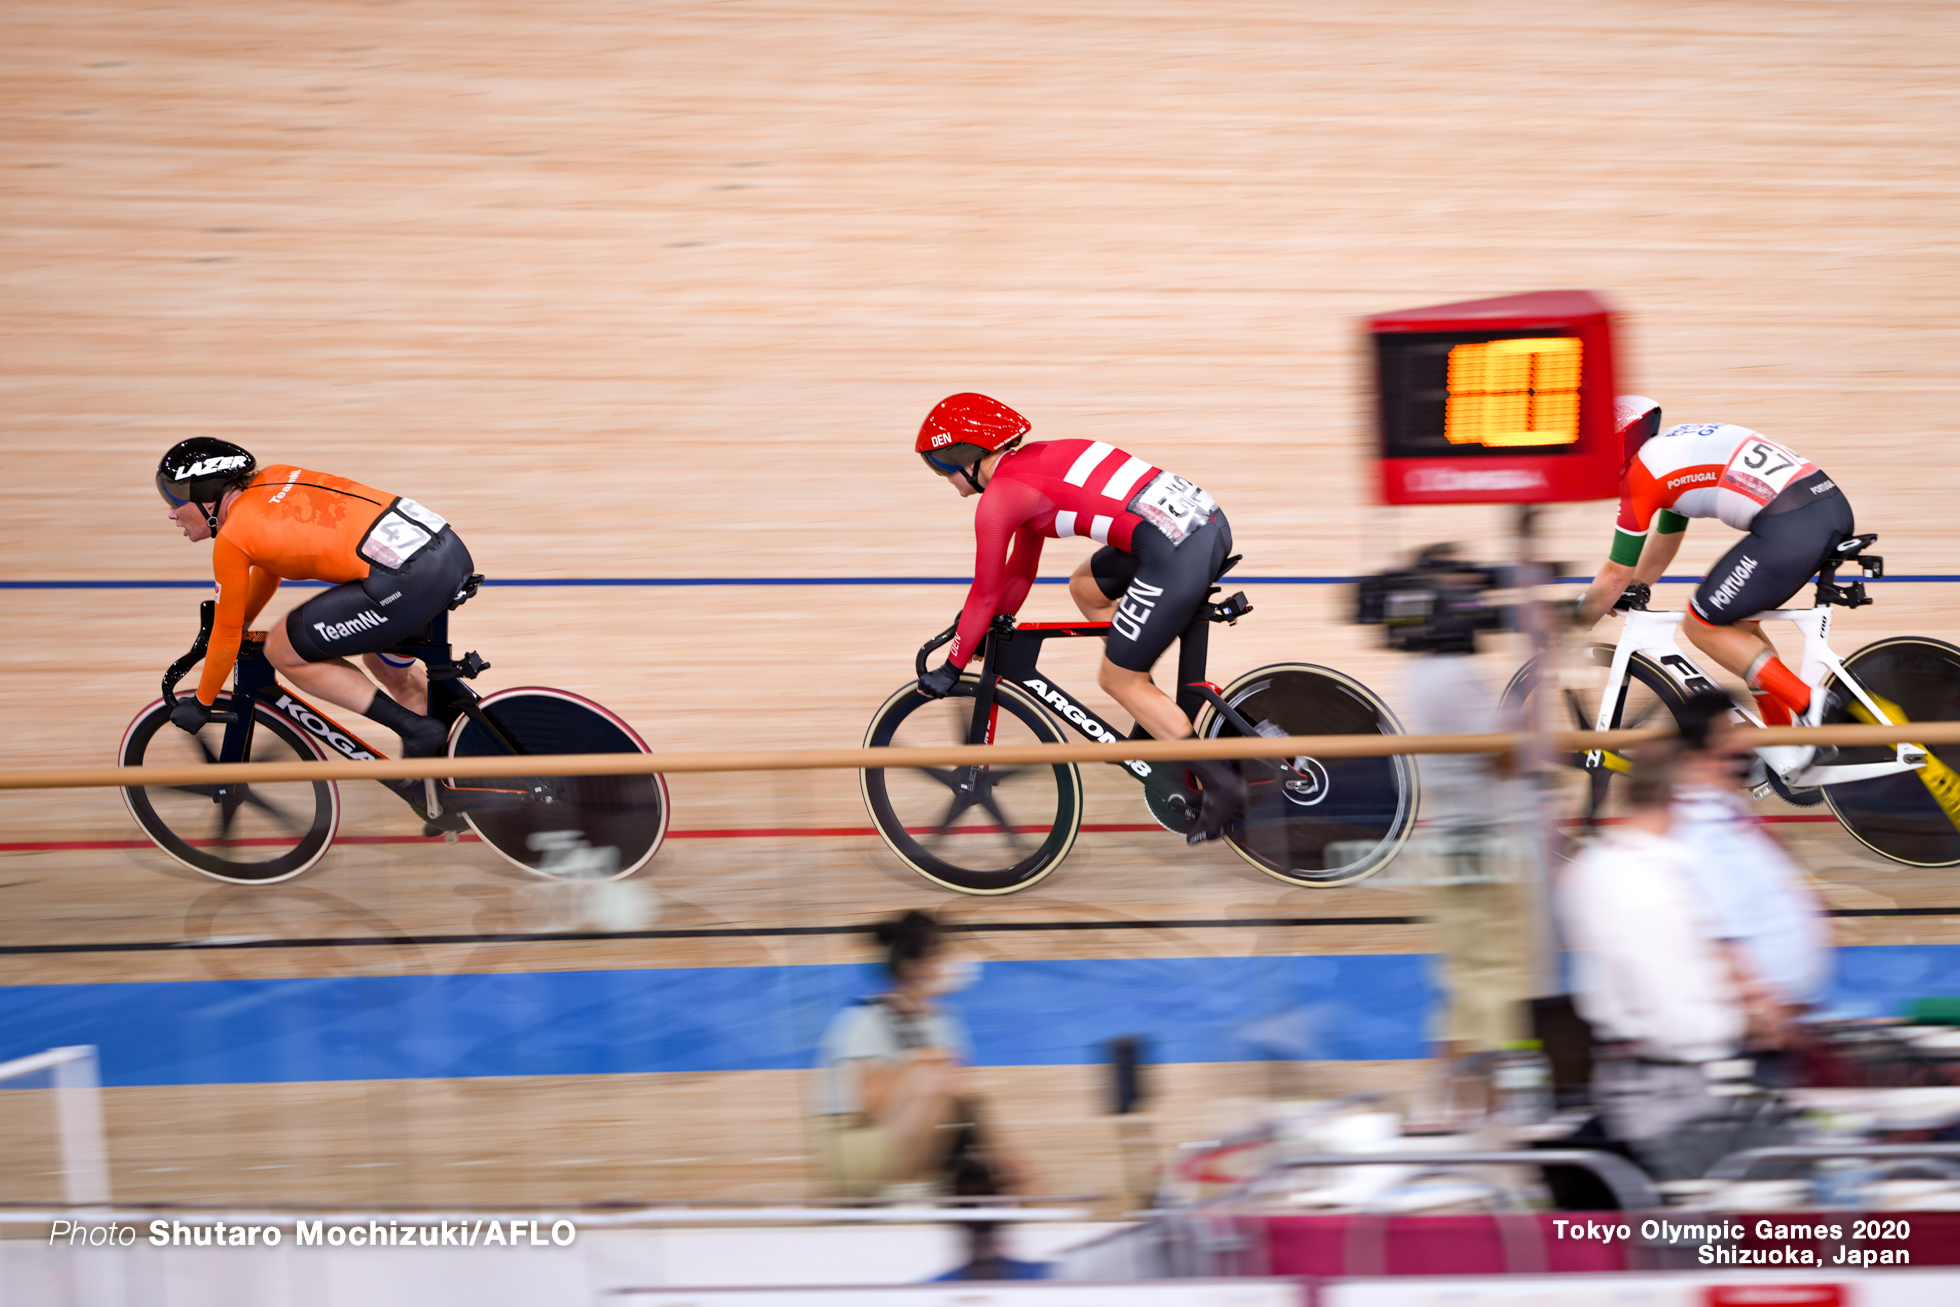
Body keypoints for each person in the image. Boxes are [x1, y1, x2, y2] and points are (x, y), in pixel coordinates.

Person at [912, 393, 1243, 841]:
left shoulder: (1000, 500)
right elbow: (1018, 575)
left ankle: (1223, 787)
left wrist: (951, 666)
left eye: (939, 465)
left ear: (966, 456)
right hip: (1199, 523)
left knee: (1118, 680)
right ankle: (1151, 704)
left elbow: (985, 594)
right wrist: (985, 626)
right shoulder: (1030, 465)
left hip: (1175, 548)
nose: (942, 477)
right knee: (1085, 586)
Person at [157, 438, 476, 757]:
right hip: (444, 549)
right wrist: (242, 621)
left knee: (282, 650)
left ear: (208, 496)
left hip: (408, 578)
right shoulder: (274, 475)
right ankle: (447, 761)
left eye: (175, 499)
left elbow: (226, 636)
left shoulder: (232, 538)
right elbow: (269, 569)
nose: (171, 513)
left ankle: (415, 729)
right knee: (385, 663)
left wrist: (202, 702)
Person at [1576, 398, 1855, 761]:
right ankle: (1783, 742)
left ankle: (1811, 704)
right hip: (1822, 507)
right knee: (1735, 624)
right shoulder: (1667, 451)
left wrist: (1575, 623)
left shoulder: (1641, 475)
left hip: (1792, 522)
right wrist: (1635, 587)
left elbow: (1614, 573)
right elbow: (1665, 542)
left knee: (1701, 623)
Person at [1562, 743, 1746, 1167]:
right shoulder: (1652, 885)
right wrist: (1741, 1020)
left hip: (1629, 1076)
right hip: (1670, 1090)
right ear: (1677, 798)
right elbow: (1673, 1016)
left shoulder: (1592, 867)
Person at [1391, 545, 1536, 1058]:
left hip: (1454, 840)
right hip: (1478, 843)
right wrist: (1523, 705)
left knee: (1466, 982)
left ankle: (1449, 1100)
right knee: (1498, 976)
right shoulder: (1453, 674)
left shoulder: (1421, 670)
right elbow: (1500, 758)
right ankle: (1495, 1096)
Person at [1669, 689, 1836, 1079]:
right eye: (1726, 733)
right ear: (1698, 756)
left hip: (1781, 1020)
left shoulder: (1725, 807)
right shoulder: (1697, 829)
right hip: (1759, 1032)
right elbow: (1711, 931)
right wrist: (1758, 1004)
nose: (1739, 739)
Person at [812, 910, 1017, 1199]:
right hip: (856, 1144)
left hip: (921, 1138)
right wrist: (918, 1064)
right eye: (941, 956)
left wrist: (1002, 1155)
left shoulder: (943, 1020)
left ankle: (932, 1190)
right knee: (930, 1079)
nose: (951, 964)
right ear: (912, 968)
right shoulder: (864, 1019)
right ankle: (906, 1198)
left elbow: (967, 1097)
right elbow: (865, 1106)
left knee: (1004, 1162)